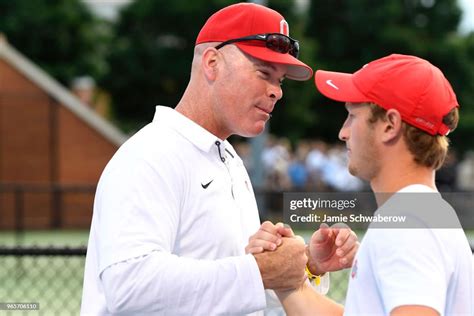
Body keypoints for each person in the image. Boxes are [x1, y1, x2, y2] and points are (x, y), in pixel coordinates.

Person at [81, 3, 358, 315]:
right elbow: (129, 287)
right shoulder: (149, 154)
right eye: (264, 73)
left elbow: (235, 298)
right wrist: (261, 270)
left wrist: (303, 268)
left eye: (279, 80)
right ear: (212, 63)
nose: (277, 92)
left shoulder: (227, 158)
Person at [248, 54, 473, 315]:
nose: (343, 132)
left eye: (352, 116)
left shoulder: (406, 224)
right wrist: (289, 281)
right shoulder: (422, 214)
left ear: (390, 125)